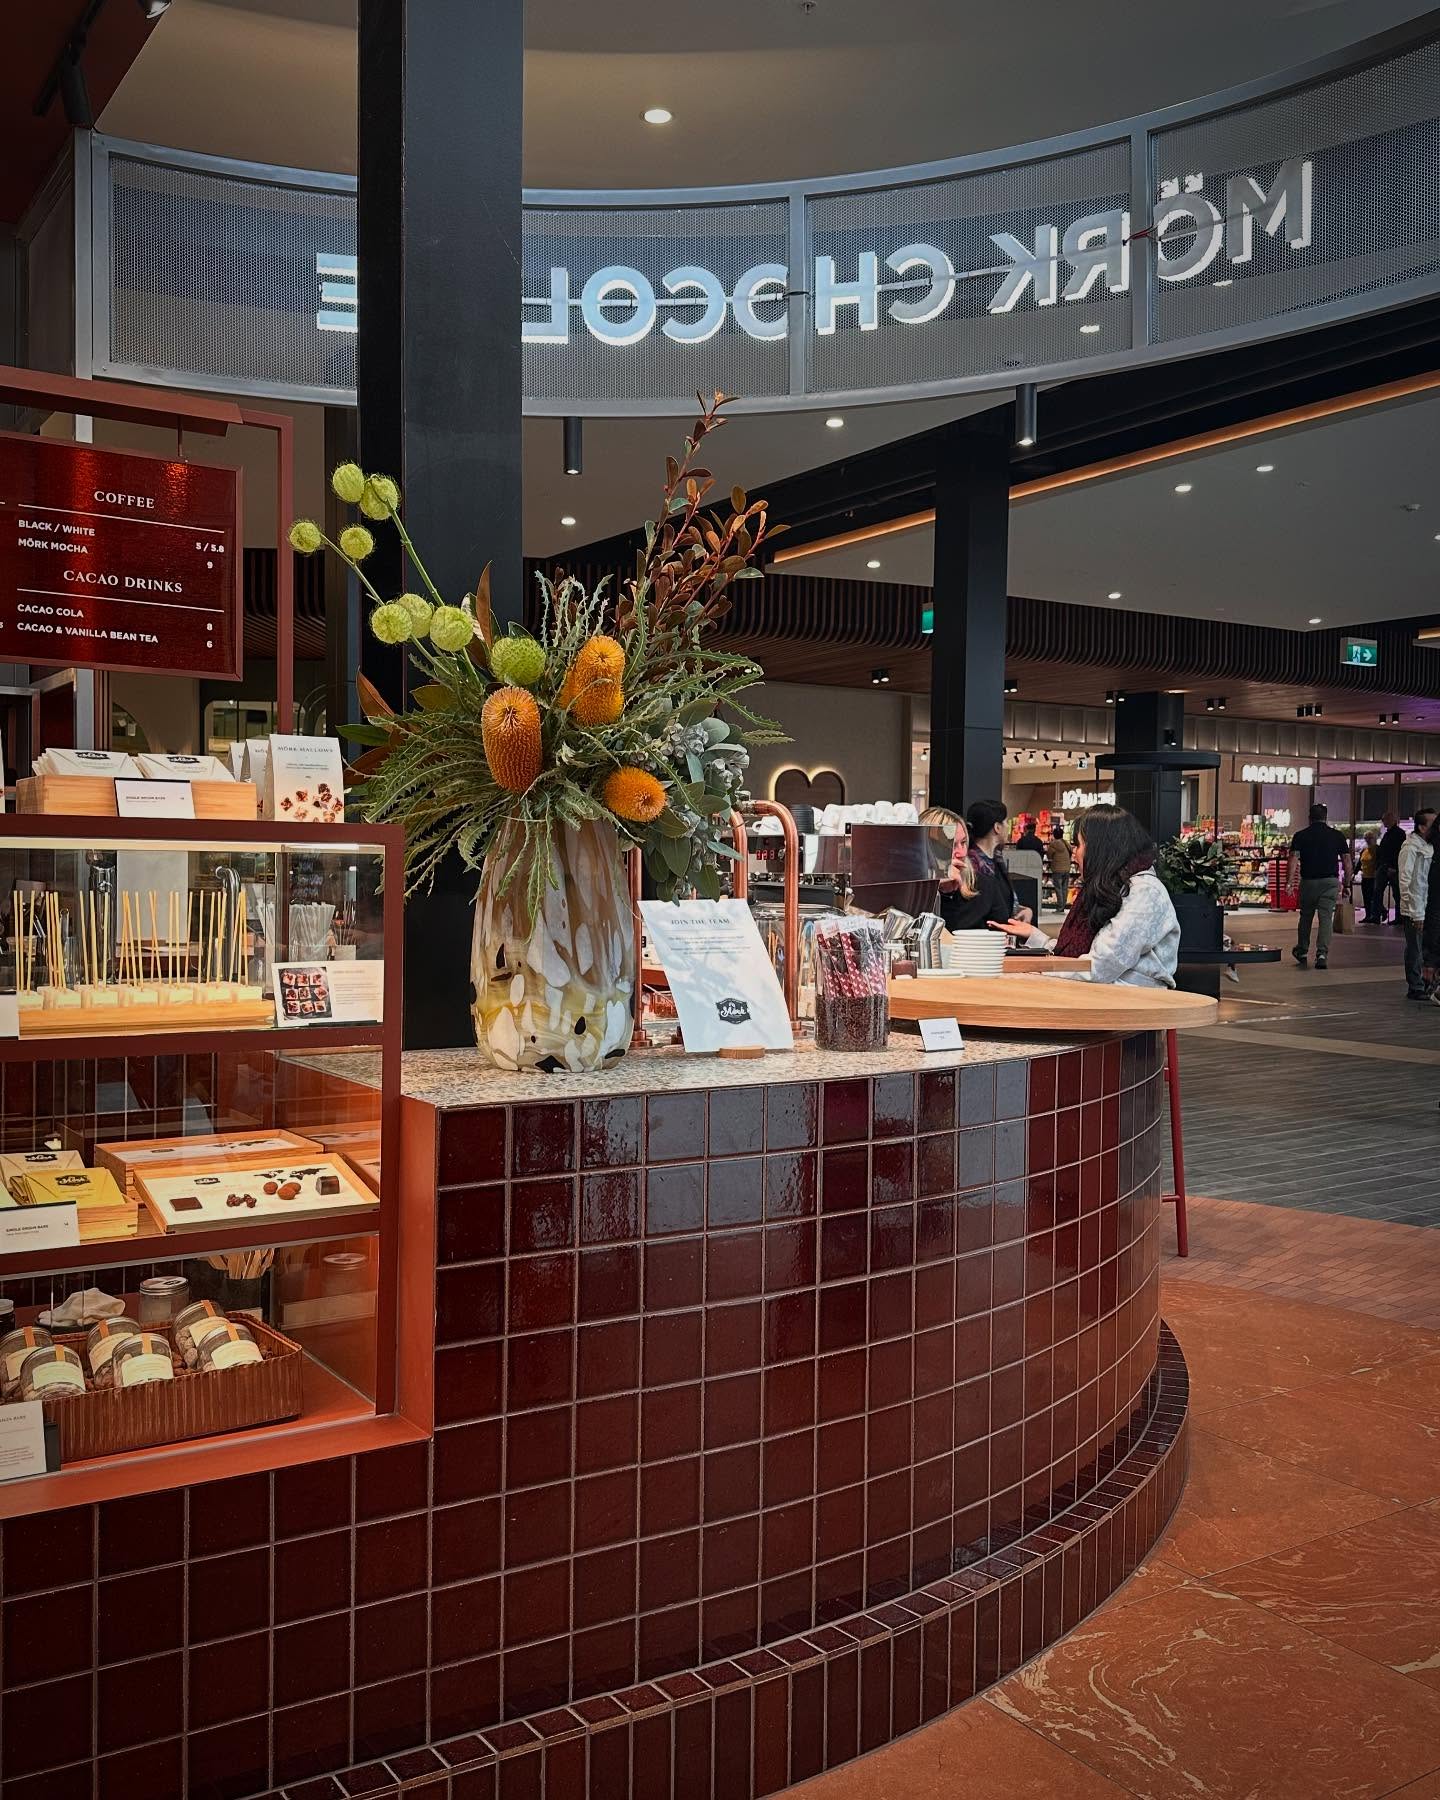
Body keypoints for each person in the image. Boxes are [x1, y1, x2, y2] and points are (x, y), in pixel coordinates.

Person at [1034, 805, 1180, 987]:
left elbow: (1101, 965)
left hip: (1133, 1008)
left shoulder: (1145, 892)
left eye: (1078, 845)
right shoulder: (1110, 887)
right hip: (1108, 1002)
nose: (1074, 853)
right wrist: (1036, 939)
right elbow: (1090, 954)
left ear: (1099, 849)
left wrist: (1038, 971)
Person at [1286, 801, 1353, 970]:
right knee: (1325, 918)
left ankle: (1302, 950)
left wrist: (1289, 882)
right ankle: (1322, 954)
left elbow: (1293, 858)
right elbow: (1347, 861)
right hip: (1330, 882)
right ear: (1326, 817)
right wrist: (1347, 883)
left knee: (1306, 917)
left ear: (1310, 818)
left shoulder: (1300, 835)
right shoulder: (1337, 836)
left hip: (1308, 881)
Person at [925, 807, 1011, 933]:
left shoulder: (984, 886)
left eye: (963, 843)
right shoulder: (911, 890)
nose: (961, 852)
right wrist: (933, 887)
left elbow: (1002, 935)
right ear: (928, 847)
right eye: (952, 845)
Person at [966, 798, 1032, 924]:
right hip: (985, 939)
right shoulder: (972, 868)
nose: (1007, 826)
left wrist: (1023, 910)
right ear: (997, 827)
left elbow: (1001, 903)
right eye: (1005, 822)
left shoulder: (995, 860)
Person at [1398, 809, 1436, 999]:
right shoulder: (1410, 848)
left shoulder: (1430, 846)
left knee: (1425, 946)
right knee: (1415, 947)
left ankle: (1426, 982)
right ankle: (1416, 985)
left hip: (1427, 906)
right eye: (1432, 824)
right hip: (1415, 908)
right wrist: (1413, 911)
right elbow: (1406, 880)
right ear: (1422, 827)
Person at [1376, 811, 1404, 923]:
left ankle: (1399, 917)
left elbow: (1398, 852)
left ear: (1391, 820)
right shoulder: (1387, 834)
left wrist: (1394, 867)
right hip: (1384, 866)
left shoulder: (1399, 834)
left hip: (1393, 867)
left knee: (1397, 893)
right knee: (1377, 891)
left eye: (1385, 819)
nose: (1383, 822)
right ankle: (1378, 913)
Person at [1044, 825, 1072, 909]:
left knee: (1058, 888)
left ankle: (1060, 906)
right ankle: (1063, 905)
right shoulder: (1066, 843)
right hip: (1067, 868)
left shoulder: (1053, 844)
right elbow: (1070, 852)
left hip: (1057, 868)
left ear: (1054, 835)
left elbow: (1049, 855)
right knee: (1064, 887)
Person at [1358, 829, 1381, 924]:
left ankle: (1377, 914)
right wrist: (1354, 872)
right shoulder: (1364, 850)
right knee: (1366, 897)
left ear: (1374, 838)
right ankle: (1368, 915)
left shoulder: (1377, 849)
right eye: (1366, 838)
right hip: (1365, 876)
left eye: (1370, 838)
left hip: (1374, 876)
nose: (1367, 840)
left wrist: (1377, 871)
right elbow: (1360, 862)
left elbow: (1380, 861)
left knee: (1373, 897)